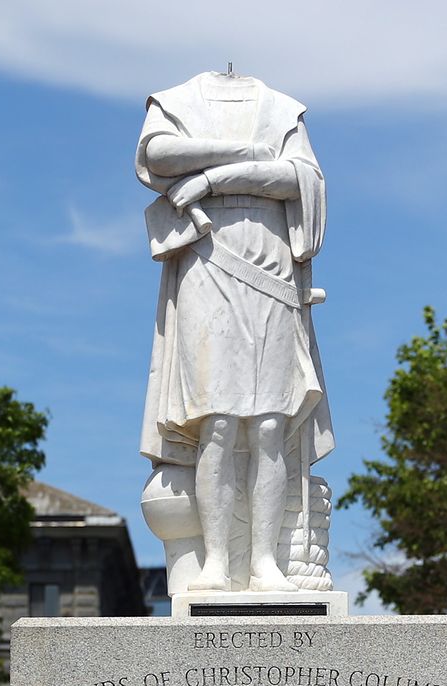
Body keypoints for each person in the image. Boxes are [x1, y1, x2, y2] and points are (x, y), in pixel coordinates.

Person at [136, 69, 335, 592]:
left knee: (270, 425)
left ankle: (265, 563)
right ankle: (218, 563)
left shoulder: (283, 108)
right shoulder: (176, 100)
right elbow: (157, 157)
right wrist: (246, 155)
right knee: (217, 424)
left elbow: (300, 179)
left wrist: (210, 179)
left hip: (270, 260)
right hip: (207, 259)